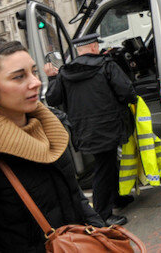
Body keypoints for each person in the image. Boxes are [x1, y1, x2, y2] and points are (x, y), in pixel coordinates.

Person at [0, 35, 104, 251]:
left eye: (34, 72)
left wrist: (101, 234)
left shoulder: (52, 129)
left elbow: (76, 198)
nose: (36, 82)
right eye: (19, 77)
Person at [44, 33, 135, 226]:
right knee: (104, 168)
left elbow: (53, 99)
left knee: (107, 164)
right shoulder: (106, 65)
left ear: (79, 50)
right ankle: (103, 214)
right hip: (109, 126)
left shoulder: (64, 72)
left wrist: (52, 78)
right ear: (94, 47)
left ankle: (116, 198)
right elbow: (127, 92)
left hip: (83, 129)